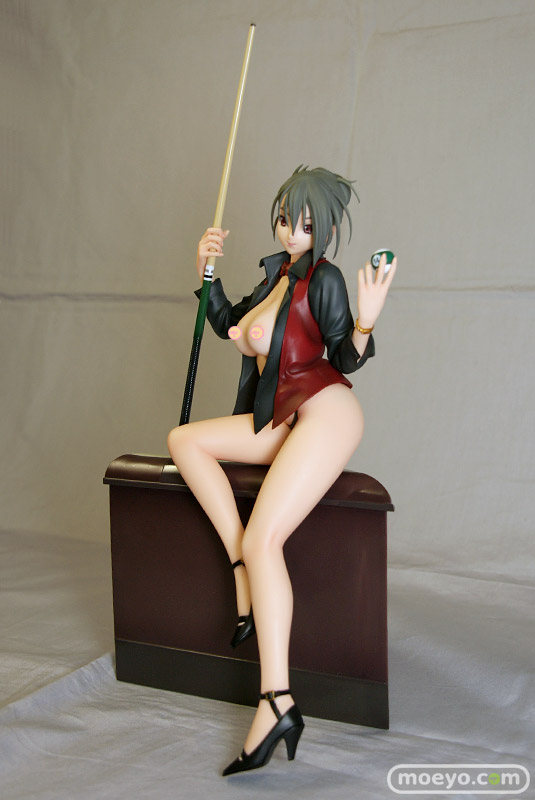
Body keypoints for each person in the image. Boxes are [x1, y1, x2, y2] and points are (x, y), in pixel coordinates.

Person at [167, 166, 397, 775]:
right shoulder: (273, 278)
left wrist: (368, 319)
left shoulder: (323, 279)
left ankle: (277, 700)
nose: (292, 230)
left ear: (323, 229)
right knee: (185, 442)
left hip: (325, 409)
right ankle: (239, 566)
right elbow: (227, 324)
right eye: (285, 218)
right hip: (282, 415)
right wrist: (205, 271)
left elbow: (344, 356)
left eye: (305, 223)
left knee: (266, 538)